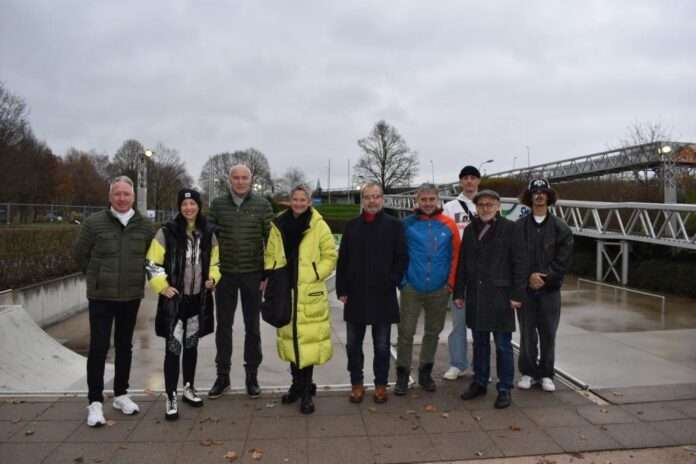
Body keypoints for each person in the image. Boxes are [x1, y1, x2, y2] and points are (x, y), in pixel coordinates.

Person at [73, 176, 154, 427]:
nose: (121, 198)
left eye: (126, 194)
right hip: (101, 296)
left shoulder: (144, 226)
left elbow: (151, 258)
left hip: (130, 296)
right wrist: (96, 276)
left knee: (124, 346)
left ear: (133, 197)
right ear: (110, 197)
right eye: (117, 194)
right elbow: (80, 253)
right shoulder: (94, 223)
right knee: (98, 347)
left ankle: (121, 394)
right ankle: (95, 402)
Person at [145, 189, 221, 420]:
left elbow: (216, 262)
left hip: (198, 300)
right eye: (185, 204)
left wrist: (213, 278)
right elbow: (152, 263)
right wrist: (162, 286)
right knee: (173, 348)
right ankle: (171, 396)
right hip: (174, 302)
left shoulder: (209, 232)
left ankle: (189, 387)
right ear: (179, 207)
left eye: (192, 204)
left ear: (199, 206)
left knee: (191, 346)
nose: (189, 208)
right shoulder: (166, 232)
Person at [263, 185, 337, 414]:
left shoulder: (318, 225)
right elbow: (270, 255)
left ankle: (306, 390)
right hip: (285, 289)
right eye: (295, 199)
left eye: (303, 199)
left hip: (308, 290)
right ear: (290, 201)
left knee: (307, 342)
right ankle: (296, 384)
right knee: (291, 339)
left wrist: (315, 274)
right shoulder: (279, 224)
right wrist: (271, 276)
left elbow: (330, 255)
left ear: (309, 202)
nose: (298, 203)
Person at [336, 183, 408, 404]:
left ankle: (380, 385)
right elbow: (343, 259)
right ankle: (356, 384)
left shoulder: (395, 226)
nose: (372, 201)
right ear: (362, 200)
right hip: (356, 294)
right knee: (353, 345)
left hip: (383, 294)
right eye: (367, 197)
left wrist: (393, 280)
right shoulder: (352, 226)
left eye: (376, 196)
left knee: (382, 346)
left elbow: (402, 257)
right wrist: (342, 289)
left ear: (382, 199)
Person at [455, 189, 527, 409]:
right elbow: (463, 262)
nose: (485, 208)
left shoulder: (511, 228)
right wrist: (459, 292)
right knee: (479, 343)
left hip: (501, 296)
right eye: (481, 205)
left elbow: (520, 263)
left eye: (490, 204)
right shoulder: (470, 230)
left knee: (503, 345)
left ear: (498, 207)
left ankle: (504, 388)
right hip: (476, 295)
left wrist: (517, 294)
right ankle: (480, 382)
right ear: (476, 207)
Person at [208, 164, 274, 399]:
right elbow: (209, 239)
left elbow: (272, 240)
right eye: (235, 177)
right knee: (223, 327)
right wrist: (211, 271)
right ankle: (222, 376)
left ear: (251, 179)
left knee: (252, 327)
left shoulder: (262, 205)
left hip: (252, 274)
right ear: (229, 180)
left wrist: (267, 274)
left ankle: (251, 377)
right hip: (225, 275)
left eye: (244, 177)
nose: (240, 181)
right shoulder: (217, 205)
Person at [394, 183, 460, 396]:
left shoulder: (448, 225)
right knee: (406, 332)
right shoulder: (407, 224)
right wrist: (402, 281)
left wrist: (450, 283)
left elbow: (456, 256)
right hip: (411, 287)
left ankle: (425, 372)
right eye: (424, 199)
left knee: (433, 331)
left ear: (438, 200)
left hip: (439, 289)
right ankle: (402, 374)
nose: (428, 203)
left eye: (432, 199)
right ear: (417, 201)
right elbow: (397, 253)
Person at [516, 179, 573, 392]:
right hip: (526, 290)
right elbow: (515, 257)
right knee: (527, 333)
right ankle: (528, 372)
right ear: (529, 197)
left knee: (548, 333)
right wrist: (528, 277)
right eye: (535, 192)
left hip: (550, 290)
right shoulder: (519, 227)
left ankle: (547, 374)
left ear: (549, 197)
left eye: (543, 192)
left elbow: (564, 259)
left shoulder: (561, 227)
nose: (539, 195)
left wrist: (546, 278)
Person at [441, 165, 480, 380]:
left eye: (473, 177)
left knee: (482, 323)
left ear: (478, 181)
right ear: (460, 181)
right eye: (465, 178)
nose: (469, 181)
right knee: (459, 322)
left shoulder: (487, 204)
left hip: (483, 274)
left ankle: (480, 365)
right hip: (459, 273)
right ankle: (457, 363)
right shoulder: (449, 207)